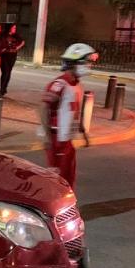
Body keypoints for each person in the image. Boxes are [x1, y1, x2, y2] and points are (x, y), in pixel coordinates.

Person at [40, 43, 98, 189]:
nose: (89, 66)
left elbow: (74, 113)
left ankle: (66, 209)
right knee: (57, 181)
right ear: (74, 63)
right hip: (57, 139)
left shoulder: (76, 85)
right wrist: (47, 137)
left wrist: (83, 133)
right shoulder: (59, 84)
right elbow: (43, 107)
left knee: (68, 179)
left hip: (67, 141)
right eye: (86, 63)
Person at [0, 24, 25, 96]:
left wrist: (17, 47)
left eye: (15, 28)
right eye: (13, 28)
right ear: (9, 28)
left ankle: (4, 88)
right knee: (5, 72)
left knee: (9, 72)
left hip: (12, 56)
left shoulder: (16, 35)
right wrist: (2, 49)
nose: (14, 29)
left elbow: (23, 42)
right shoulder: (3, 35)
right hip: (4, 56)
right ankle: (2, 88)